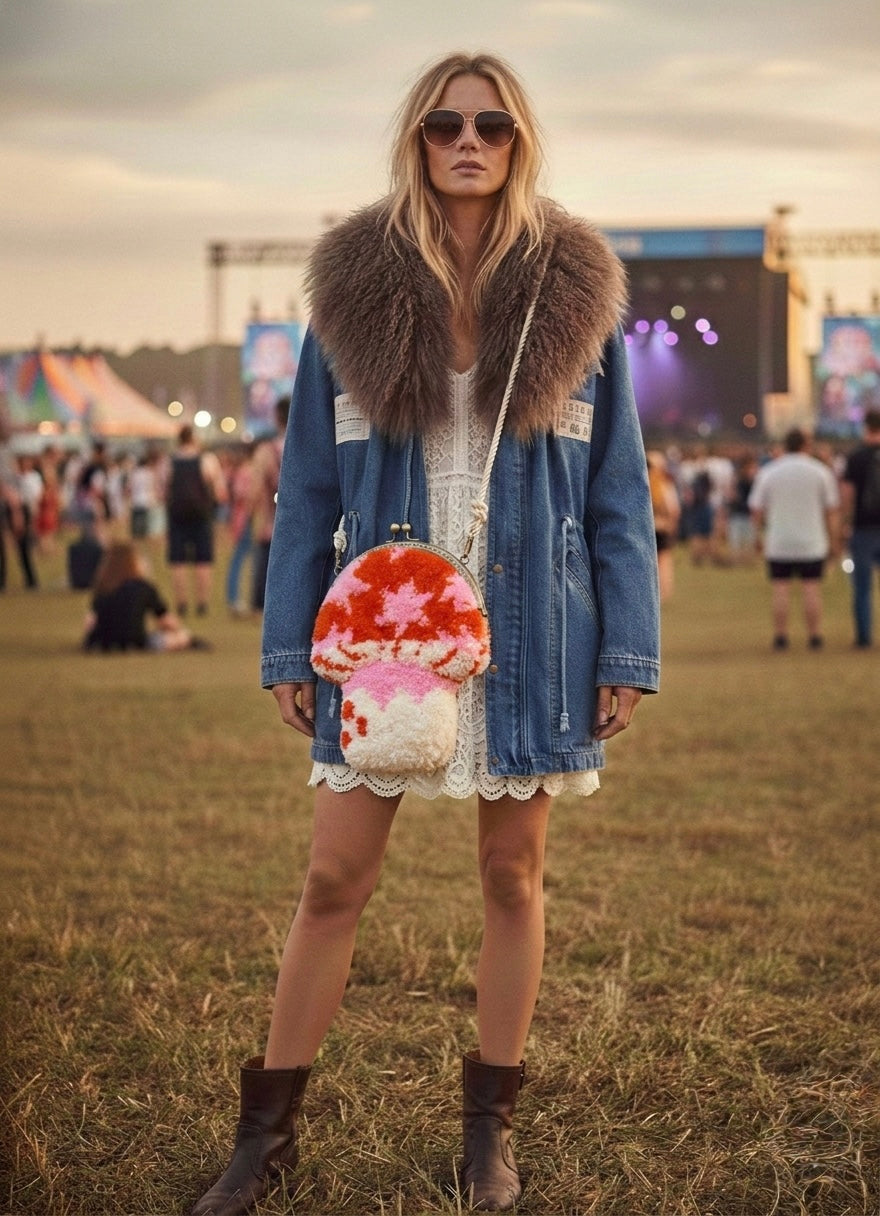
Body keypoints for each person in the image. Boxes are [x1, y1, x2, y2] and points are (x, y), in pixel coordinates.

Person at [190, 51, 660, 1216]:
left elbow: (618, 492)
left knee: (513, 876)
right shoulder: (349, 299)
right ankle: (266, 1135)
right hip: (384, 626)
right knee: (333, 875)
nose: (469, 140)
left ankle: (487, 1134)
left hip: (535, 629)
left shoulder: (575, 296)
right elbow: (305, 492)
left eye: (492, 125)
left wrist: (626, 649)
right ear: (417, 140)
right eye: (447, 123)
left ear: (517, 142)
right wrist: (290, 644)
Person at [748, 428, 840, 650]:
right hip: (812, 541)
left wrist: (758, 535)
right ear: (806, 445)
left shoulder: (769, 471)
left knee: (781, 589)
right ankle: (815, 635)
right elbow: (831, 510)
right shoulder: (820, 472)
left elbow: (756, 509)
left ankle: (781, 636)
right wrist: (834, 540)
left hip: (779, 541)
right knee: (811, 588)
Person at [82, 540, 207, 652]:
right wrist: (180, 633)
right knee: (180, 637)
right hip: (135, 641)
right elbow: (167, 621)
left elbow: (90, 622)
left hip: (100, 642)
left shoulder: (103, 586)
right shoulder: (143, 587)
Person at [165, 424, 228, 617]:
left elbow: (162, 489)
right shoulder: (206, 459)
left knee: (178, 561)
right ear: (193, 438)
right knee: (203, 560)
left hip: (176, 516)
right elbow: (219, 491)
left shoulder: (170, 461)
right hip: (201, 515)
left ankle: (181, 604)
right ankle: (202, 604)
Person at [841, 407, 880, 647]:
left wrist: (845, 524)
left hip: (863, 528)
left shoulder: (855, 457)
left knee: (862, 587)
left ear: (865, 426)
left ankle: (864, 636)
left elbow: (847, 495)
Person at [249, 396, 290, 612]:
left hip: (271, 522)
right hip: (302, 522)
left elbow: (255, 487)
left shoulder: (267, 451)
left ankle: (262, 604)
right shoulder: (307, 445)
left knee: (267, 566)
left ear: (277, 418)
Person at [647, 449, 681, 601]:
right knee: (664, 562)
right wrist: (672, 526)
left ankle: (652, 591)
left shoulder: (641, 485)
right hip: (662, 527)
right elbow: (674, 509)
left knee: (650, 562)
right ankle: (663, 592)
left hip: (648, 528)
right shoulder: (664, 485)